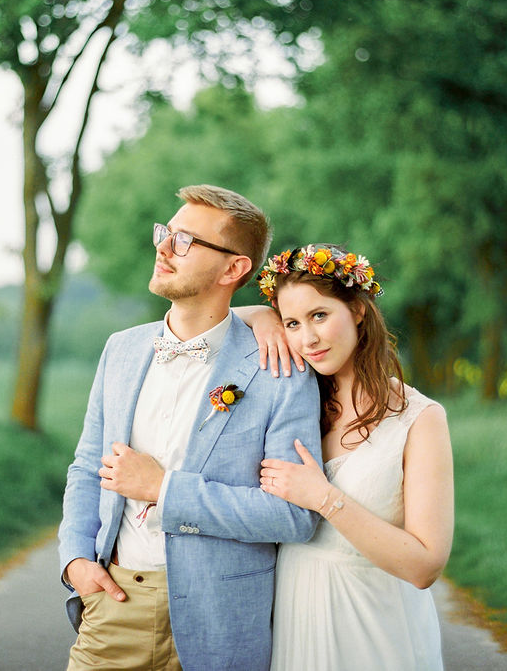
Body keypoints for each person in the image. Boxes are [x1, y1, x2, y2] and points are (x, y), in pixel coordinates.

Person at [57, 185, 322, 671]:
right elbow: (85, 467)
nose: (163, 247)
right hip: (114, 608)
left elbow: (293, 517)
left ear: (234, 268)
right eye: (166, 232)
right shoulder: (121, 349)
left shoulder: (280, 369)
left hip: (221, 622)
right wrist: (76, 560)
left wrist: (164, 489)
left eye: (185, 240)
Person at [246, 243, 454, 670]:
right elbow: (202, 323)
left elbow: (425, 566)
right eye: (292, 323)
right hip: (296, 620)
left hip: (374, 628)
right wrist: (257, 317)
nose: (308, 338)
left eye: (319, 315)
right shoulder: (296, 404)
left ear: (358, 310)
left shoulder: (420, 418)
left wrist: (324, 498)